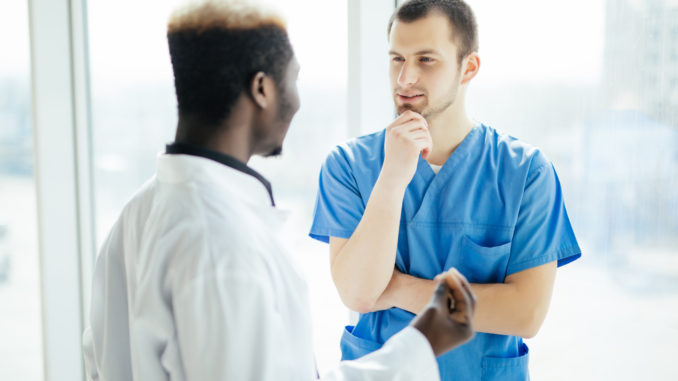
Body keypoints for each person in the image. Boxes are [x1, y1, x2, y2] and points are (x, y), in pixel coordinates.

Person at [81, 1, 478, 380]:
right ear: (262, 89)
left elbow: (98, 362)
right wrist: (423, 343)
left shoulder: (134, 217)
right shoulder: (222, 244)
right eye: (293, 79)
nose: (298, 101)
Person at [309, 0, 582, 379]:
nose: (404, 78)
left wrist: (396, 288)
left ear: (468, 67)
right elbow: (358, 293)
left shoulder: (527, 172)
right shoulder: (349, 165)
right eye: (396, 59)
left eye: (426, 60)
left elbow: (526, 314)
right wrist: (391, 179)